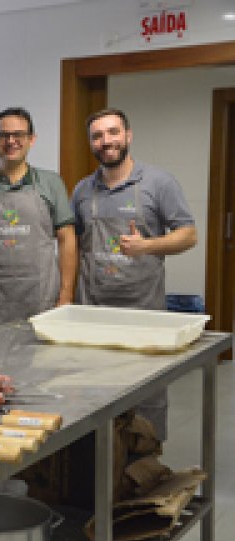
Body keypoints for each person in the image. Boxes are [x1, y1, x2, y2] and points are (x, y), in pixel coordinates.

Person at [72, 107, 197, 439]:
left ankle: (145, 470)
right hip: (96, 314)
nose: (106, 141)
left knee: (146, 397)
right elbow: (73, 245)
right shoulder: (83, 191)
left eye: (113, 132)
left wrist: (148, 246)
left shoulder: (158, 182)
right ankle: (100, 471)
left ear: (128, 135)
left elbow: (189, 234)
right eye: (97, 136)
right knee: (96, 395)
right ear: (91, 143)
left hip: (143, 315)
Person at [0, 107, 77, 331]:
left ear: (31, 139)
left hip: (42, 301)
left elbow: (66, 239)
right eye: (4, 135)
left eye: (19, 135)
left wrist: (66, 294)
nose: (11, 141)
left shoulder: (50, 183)